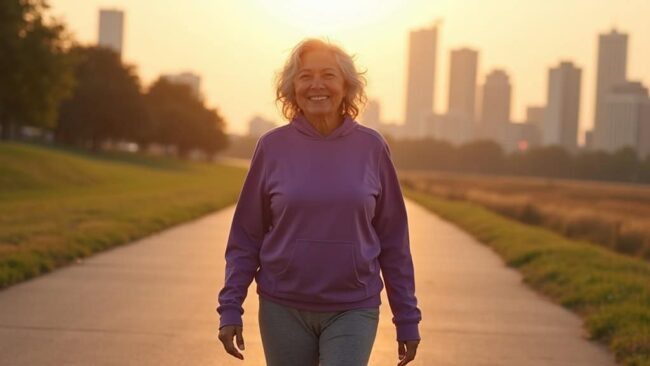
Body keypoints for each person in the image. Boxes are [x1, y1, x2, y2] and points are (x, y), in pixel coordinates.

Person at [216, 38, 422, 366]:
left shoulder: (372, 148)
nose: (316, 85)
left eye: (328, 75)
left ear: (346, 86)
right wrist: (230, 307)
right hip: (282, 306)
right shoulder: (272, 147)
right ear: (291, 88)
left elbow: (394, 240)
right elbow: (245, 237)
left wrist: (407, 318)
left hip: (353, 307)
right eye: (305, 76)